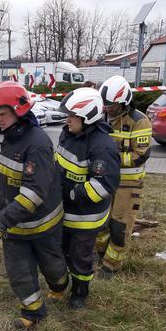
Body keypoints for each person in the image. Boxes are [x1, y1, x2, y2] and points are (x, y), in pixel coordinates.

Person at [0, 82, 67, 329]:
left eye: (3, 114)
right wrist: (3, 218)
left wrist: (0, 222)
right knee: (18, 270)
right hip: (14, 225)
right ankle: (33, 311)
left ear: (20, 109)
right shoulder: (11, 137)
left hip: (42, 224)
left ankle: (60, 284)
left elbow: (34, 193)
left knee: (52, 266)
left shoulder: (37, 143)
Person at [55, 87, 120, 309]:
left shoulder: (103, 147)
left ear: (88, 117)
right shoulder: (68, 133)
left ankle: (80, 292)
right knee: (61, 250)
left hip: (86, 217)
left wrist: (72, 192)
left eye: (72, 116)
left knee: (80, 258)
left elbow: (103, 186)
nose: (67, 119)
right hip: (64, 210)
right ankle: (62, 283)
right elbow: (60, 163)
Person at [94, 76, 152, 278]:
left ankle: (111, 265)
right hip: (103, 181)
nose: (108, 108)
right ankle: (101, 254)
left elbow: (140, 156)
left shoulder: (139, 121)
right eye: (106, 104)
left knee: (120, 227)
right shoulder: (100, 118)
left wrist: (110, 158)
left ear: (124, 102)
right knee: (100, 223)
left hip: (128, 184)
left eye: (112, 105)